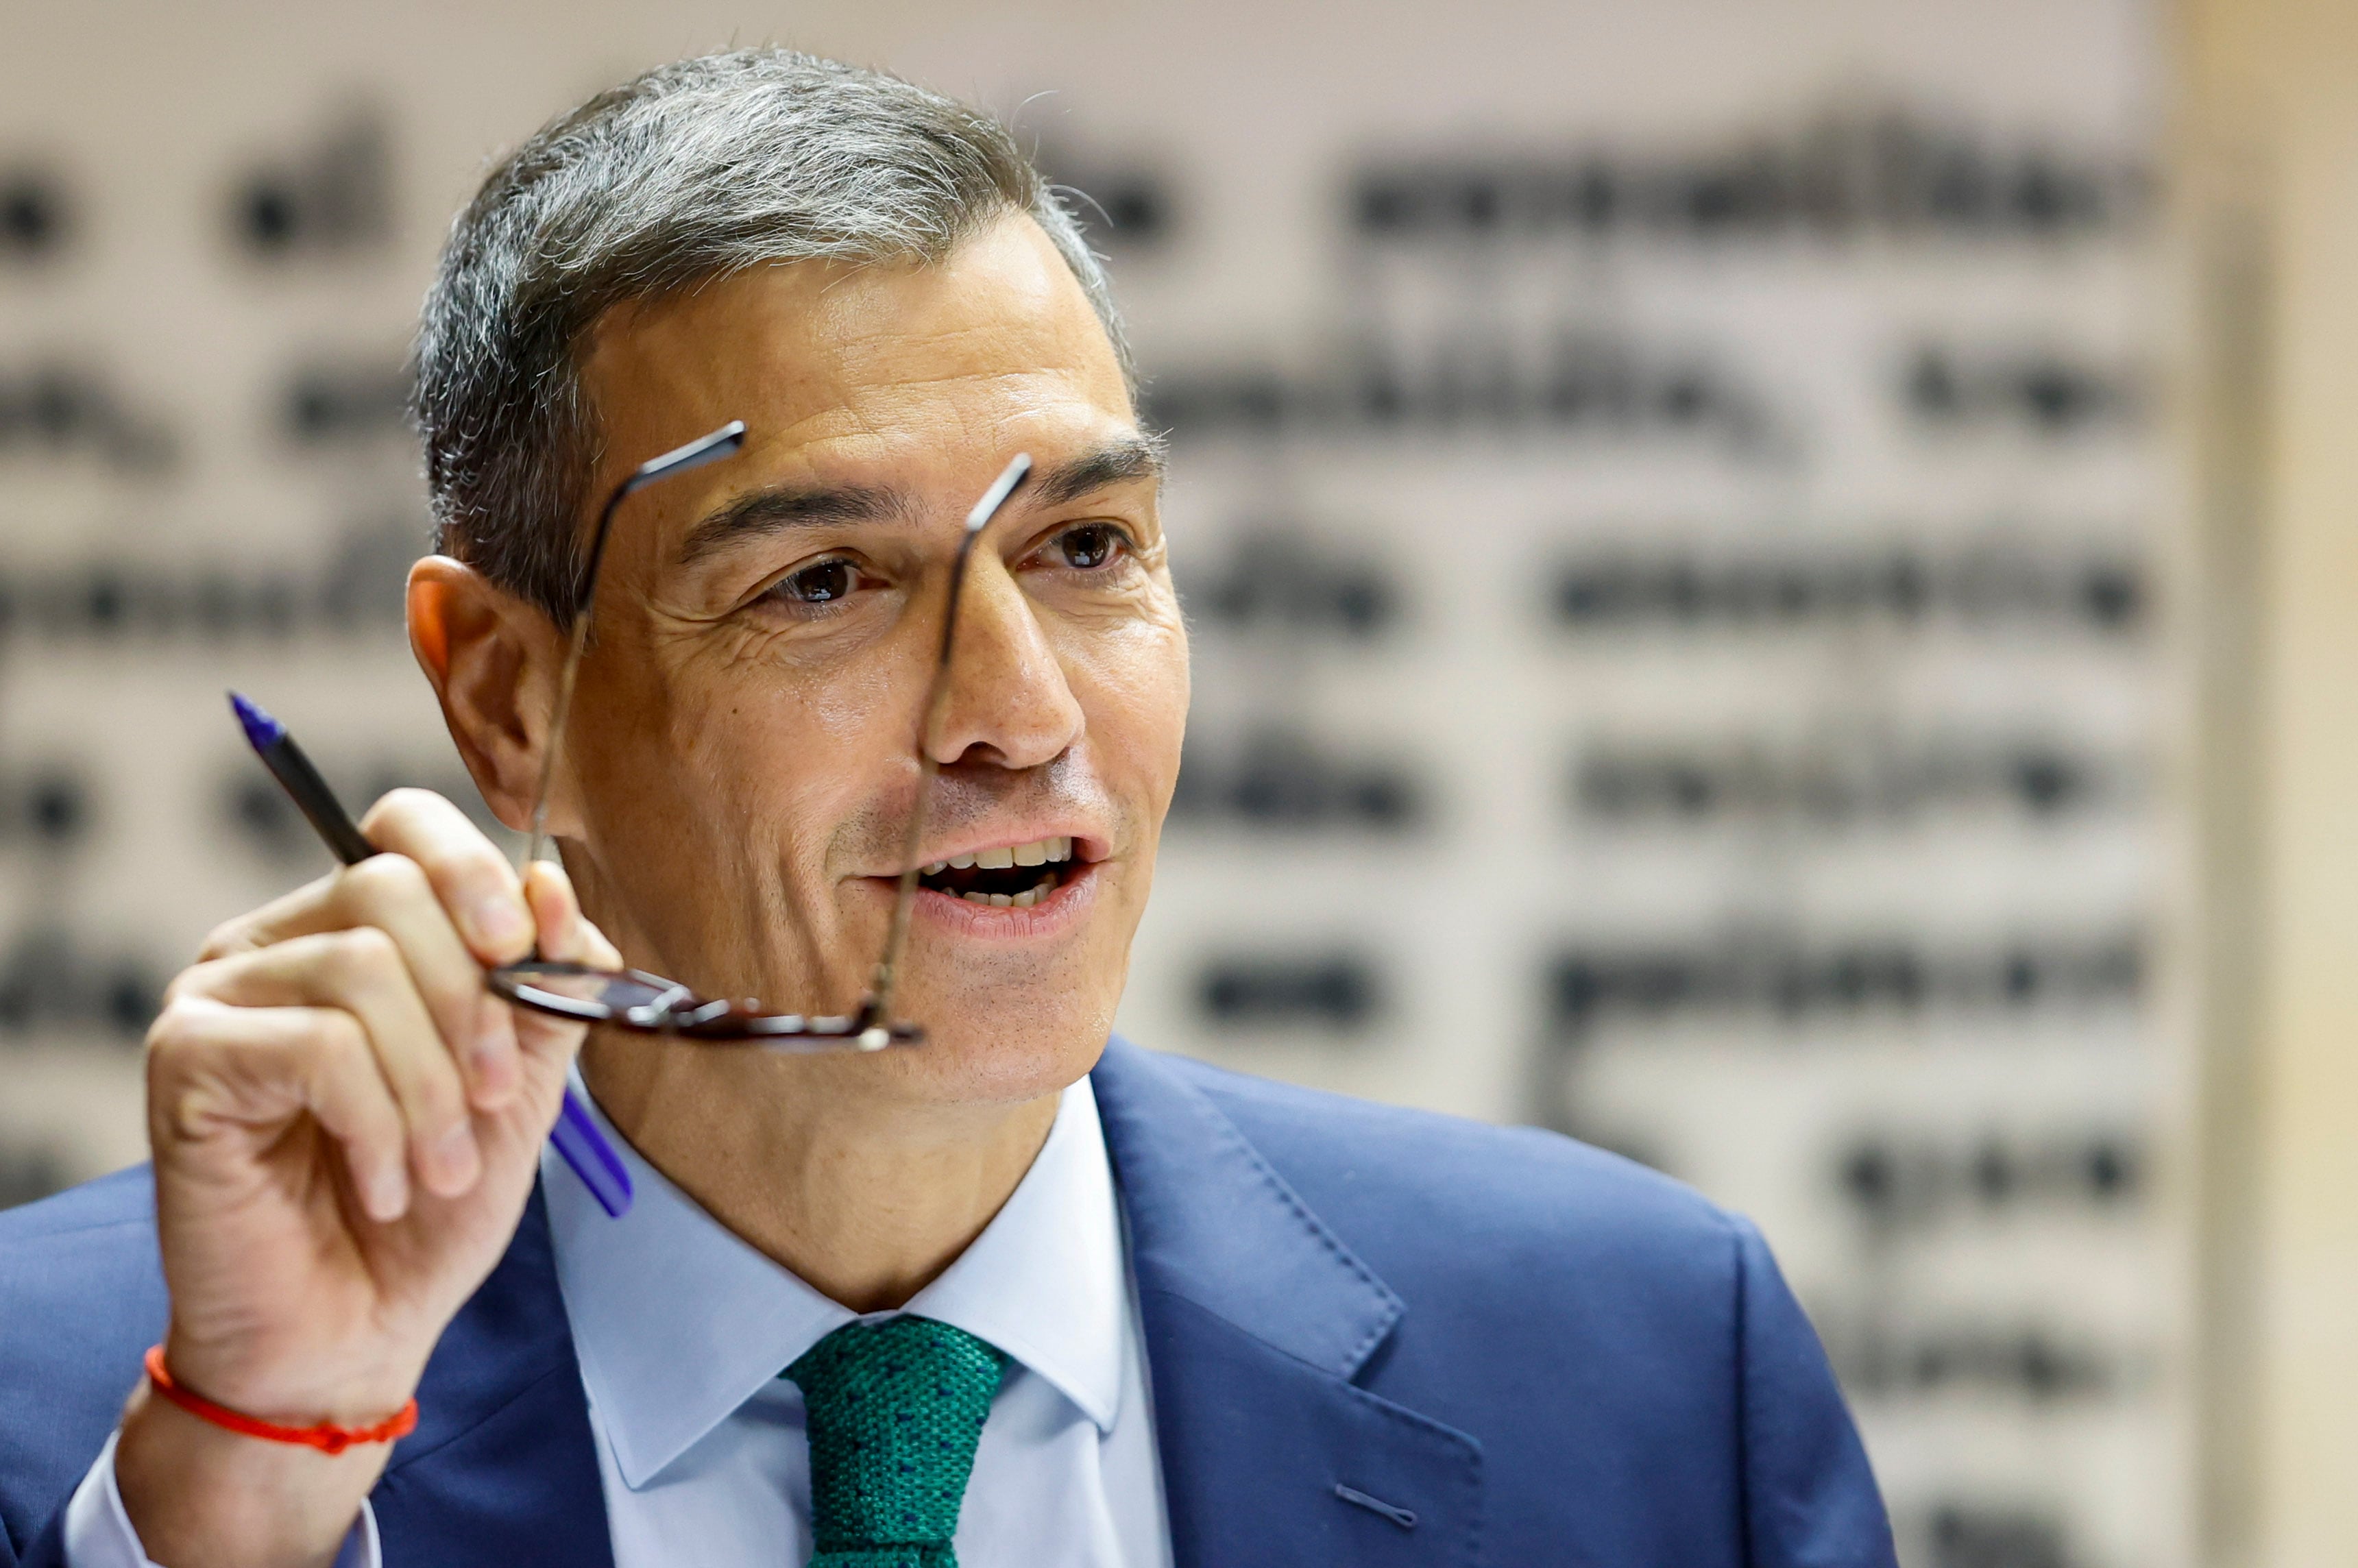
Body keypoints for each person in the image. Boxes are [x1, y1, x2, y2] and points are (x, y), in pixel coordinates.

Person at [0, 49, 1896, 1568]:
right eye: (821, 581)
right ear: (510, 697)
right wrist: (242, 1502)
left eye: (1087, 546)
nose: (1017, 711)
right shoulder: (82, 1428)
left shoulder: (1650, 1372)